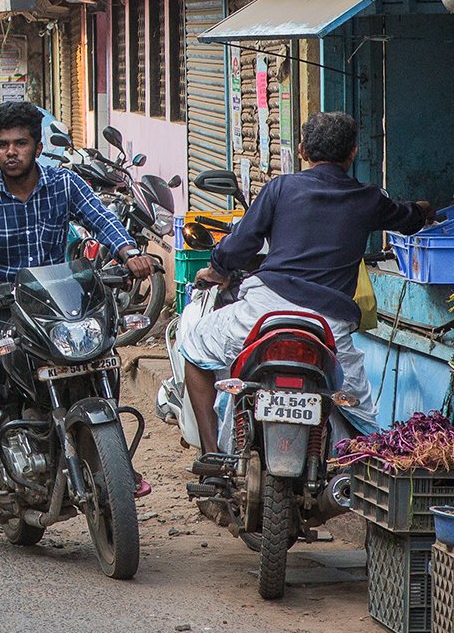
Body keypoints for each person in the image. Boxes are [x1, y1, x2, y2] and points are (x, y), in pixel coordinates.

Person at [0, 101, 149, 554]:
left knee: (102, 361)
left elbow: (103, 220)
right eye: (3, 145)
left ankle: (115, 462)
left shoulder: (63, 183)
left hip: (56, 307)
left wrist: (128, 252)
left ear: (38, 146)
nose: (10, 152)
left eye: (20, 143)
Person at [178, 111, 434, 475]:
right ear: (353, 154)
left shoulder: (280, 189)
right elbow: (407, 218)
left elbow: (240, 245)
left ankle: (210, 455)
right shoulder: (368, 199)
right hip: (327, 327)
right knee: (362, 421)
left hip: (263, 312)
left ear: (302, 151)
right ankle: (352, 485)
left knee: (193, 347)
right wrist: (424, 210)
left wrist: (215, 270)